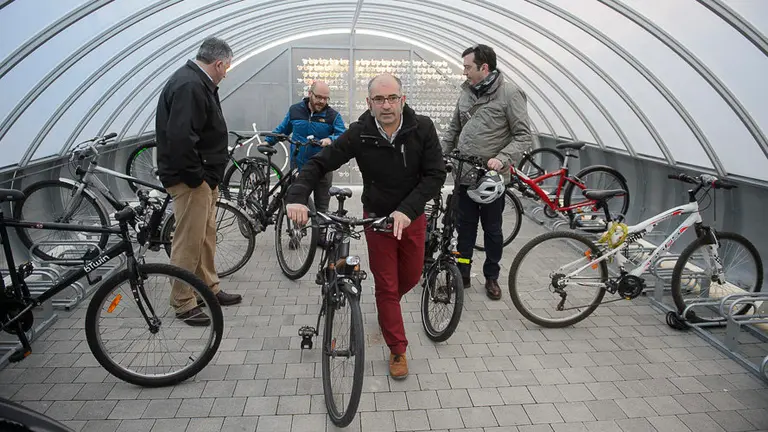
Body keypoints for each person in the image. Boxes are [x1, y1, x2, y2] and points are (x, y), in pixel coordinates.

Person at [284, 74, 446, 380]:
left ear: (402, 100)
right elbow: (320, 162)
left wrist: (407, 210)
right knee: (387, 285)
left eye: (392, 98)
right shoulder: (361, 132)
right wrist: (297, 196)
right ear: (369, 102)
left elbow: (435, 175)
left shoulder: (422, 128)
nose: (386, 105)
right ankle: (397, 348)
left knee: (411, 277)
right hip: (377, 218)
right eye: (379, 99)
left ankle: (388, 308)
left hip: (411, 218)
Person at [155, 36, 243, 326]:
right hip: (191, 181)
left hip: (202, 180)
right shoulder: (190, 85)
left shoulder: (196, 82)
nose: (226, 74)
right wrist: (198, 179)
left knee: (205, 237)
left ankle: (208, 288)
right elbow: (181, 137)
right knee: (189, 241)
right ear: (218, 64)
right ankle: (183, 302)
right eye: (226, 68)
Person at [442, 44, 533, 300]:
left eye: (468, 67)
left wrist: (501, 159)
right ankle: (462, 275)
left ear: (484, 67)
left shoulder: (510, 94)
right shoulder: (466, 93)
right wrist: (439, 156)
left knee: (492, 230)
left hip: (491, 179)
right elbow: (453, 129)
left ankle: (492, 276)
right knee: (465, 229)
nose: (464, 72)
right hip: (464, 175)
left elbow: (523, 136)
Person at [265, 81, 347, 217]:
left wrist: (330, 139)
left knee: (321, 210)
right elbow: (283, 129)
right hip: (299, 167)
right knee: (297, 205)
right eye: (318, 97)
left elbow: (343, 135)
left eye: (325, 98)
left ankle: (320, 230)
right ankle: (297, 229)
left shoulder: (333, 116)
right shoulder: (295, 110)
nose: (322, 101)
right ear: (310, 94)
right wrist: (268, 142)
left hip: (322, 168)